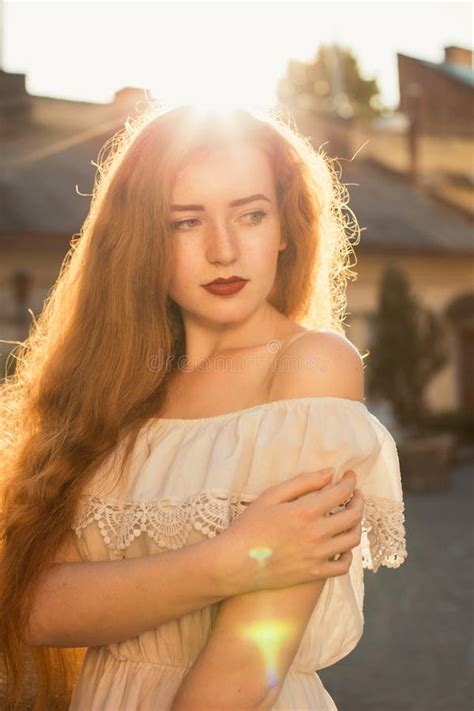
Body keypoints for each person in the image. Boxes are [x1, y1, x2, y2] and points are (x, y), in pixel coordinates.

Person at [0, 102, 407, 710]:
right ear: (143, 240)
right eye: (185, 222)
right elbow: (34, 610)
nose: (222, 250)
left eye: (251, 215)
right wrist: (232, 560)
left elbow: (250, 664)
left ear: (285, 230)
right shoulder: (112, 389)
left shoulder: (311, 367)